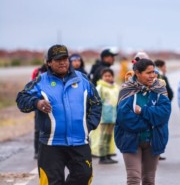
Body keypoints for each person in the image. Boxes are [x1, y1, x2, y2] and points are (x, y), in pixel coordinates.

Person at [16, 44, 102, 184]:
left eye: (65, 58)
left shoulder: (83, 79)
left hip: (79, 141)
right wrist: (37, 103)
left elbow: (97, 103)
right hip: (51, 144)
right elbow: (21, 99)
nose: (62, 62)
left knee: (84, 176)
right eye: (57, 59)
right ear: (49, 62)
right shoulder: (40, 81)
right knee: (51, 182)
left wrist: (89, 125)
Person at [115, 58, 171, 185]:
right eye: (148, 72)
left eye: (154, 72)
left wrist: (143, 112)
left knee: (149, 180)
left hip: (153, 140)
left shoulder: (159, 89)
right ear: (137, 73)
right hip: (130, 139)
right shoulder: (127, 90)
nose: (152, 76)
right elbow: (124, 118)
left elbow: (164, 114)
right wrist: (150, 123)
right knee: (133, 179)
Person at [90, 68, 119, 164]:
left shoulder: (115, 87)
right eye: (105, 76)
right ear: (102, 77)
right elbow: (97, 102)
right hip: (104, 117)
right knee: (102, 136)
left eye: (109, 76)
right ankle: (102, 157)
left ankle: (108, 155)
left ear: (112, 77)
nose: (107, 78)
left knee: (109, 137)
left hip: (113, 117)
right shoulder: (100, 88)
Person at [31, 62, 48, 159]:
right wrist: (36, 102)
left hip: (51, 104)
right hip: (39, 104)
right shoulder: (38, 72)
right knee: (38, 129)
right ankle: (37, 151)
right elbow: (30, 88)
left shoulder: (58, 73)